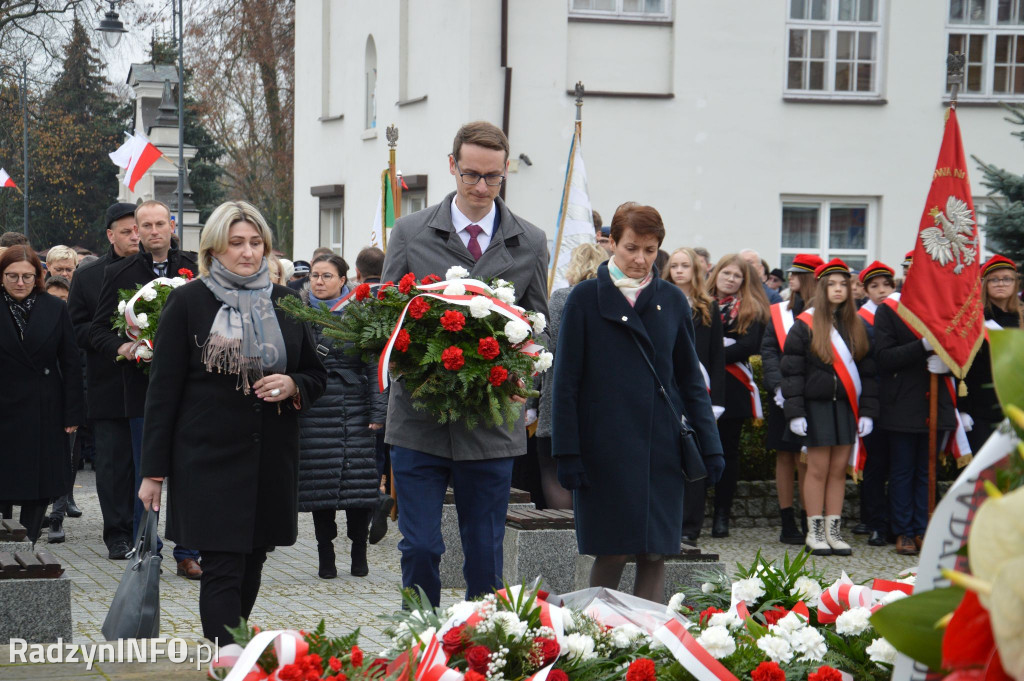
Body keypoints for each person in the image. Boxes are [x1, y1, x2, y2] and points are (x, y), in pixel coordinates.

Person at [137, 200, 327, 646]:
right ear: (213, 249)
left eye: (256, 243)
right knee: (222, 563)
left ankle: (233, 647)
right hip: (207, 458)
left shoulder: (287, 301)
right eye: (236, 243)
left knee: (254, 559)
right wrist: (152, 472)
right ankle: (228, 655)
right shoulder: (188, 302)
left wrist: (294, 383)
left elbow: (319, 374)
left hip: (271, 457)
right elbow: (162, 393)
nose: (247, 252)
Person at [380, 120, 550, 607]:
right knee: (420, 547)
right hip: (419, 418)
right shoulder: (411, 232)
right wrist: (408, 361)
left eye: (492, 177)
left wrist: (525, 375)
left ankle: (482, 652)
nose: (480, 187)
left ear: (505, 174)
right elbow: (386, 318)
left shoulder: (530, 241)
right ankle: (420, 642)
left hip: (492, 423)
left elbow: (538, 323)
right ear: (452, 166)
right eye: (471, 174)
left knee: (484, 553)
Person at [552, 203, 724, 602]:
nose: (640, 259)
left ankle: (647, 647)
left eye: (650, 249)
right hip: (604, 450)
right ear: (611, 242)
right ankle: (587, 640)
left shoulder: (673, 301)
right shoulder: (584, 299)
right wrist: (568, 453)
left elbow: (690, 383)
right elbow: (566, 384)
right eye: (631, 248)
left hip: (660, 445)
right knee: (612, 550)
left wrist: (711, 447)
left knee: (656, 551)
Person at [90, 200, 202, 577]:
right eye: (145, 226)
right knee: (147, 469)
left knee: (189, 469)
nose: (153, 231)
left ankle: (188, 551)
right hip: (142, 389)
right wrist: (123, 346)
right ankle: (147, 546)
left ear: (171, 225)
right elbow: (96, 330)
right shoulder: (119, 272)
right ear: (136, 230)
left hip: (191, 387)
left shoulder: (195, 267)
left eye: (160, 223)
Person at [298, 253, 387, 579]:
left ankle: (359, 553)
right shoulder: (299, 313)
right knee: (319, 486)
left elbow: (374, 364)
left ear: (343, 279)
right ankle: (325, 555)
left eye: (326, 276)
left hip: (355, 406)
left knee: (359, 487)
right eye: (314, 276)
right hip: (315, 407)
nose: (319, 282)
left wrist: (379, 411)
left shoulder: (360, 312)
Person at [781, 259, 877, 556]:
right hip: (816, 407)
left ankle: (834, 533)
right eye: (832, 284)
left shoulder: (857, 326)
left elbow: (869, 373)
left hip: (846, 408)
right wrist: (795, 413)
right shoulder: (804, 325)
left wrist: (868, 412)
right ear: (822, 289)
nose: (838, 289)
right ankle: (815, 531)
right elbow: (792, 372)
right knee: (818, 469)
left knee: (838, 471)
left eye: (843, 285)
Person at [67, 203, 140, 559]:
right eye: (127, 232)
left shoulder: (165, 270)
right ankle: (118, 534)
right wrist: (115, 343)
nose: (135, 237)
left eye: (139, 229)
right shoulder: (89, 275)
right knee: (112, 466)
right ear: (111, 235)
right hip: (109, 383)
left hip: (152, 386)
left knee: (149, 463)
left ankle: (147, 531)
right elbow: (77, 329)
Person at [0, 246, 84, 544]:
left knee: (39, 485)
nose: (19, 282)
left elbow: (71, 362)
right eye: (12, 276)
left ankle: (30, 543)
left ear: (39, 276)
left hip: (44, 407)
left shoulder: (55, 307)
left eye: (27, 276)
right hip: (4, 408)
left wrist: (73, 412)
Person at [873, 270, 956, 556]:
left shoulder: (947, 308)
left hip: (938, 401)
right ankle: (904, 531)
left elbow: (963, 351)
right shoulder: (890, 311)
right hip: (902, 404)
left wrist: (948, 365)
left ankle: (924, 528)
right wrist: (921, 346)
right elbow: (884, 357)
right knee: (903, 471)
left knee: (928, 471)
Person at [535, 243, 606, 511]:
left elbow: (545, 351)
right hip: (599, 406)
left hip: (557, 402)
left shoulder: (561, 298)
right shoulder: (611, 299)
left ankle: (564, 541)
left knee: (554, 476)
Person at [706, 253, 770, 537]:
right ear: (716, 273)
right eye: (726, 273)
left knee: (728, 452)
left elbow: (748, 346)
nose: (731, 279)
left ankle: (722, 515)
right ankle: (692, 516)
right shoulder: (700, 304)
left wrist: (711, 353)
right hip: (703, 385)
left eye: (737, 276)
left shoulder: (752, 309)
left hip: (733, 389)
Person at [664, 247, 725, 545]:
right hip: (668, 389)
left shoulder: (707, 306)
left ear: (695, 271)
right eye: (674, 265)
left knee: (695, 456)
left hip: (700, 391)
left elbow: (716, 357)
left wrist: (717, 402)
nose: (679, 271)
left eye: (685, 265)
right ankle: (670, 520)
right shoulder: (659, 302)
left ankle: (691, 526)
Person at [761, 253, 821, 545]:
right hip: (783, 397)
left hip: (814, 396)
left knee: (808, 457)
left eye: (797, 274)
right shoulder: (778, 312)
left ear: (810, 278)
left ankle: (809, 518)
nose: (791, 278)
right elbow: (769, 353)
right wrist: (778, 388)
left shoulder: (824, 312)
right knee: (785, 456)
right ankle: (787, 520)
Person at [849, 261, 895, 547]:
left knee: (898, 465)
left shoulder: (903, 315)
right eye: (874, 286)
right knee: (875, 464)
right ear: (864, 290)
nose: (881, 291)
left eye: (886, 285)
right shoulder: (860, 320)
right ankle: (876, 521)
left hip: (899, 400)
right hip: (871, 400)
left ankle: (894, 521)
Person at [352, 245, 395, 538]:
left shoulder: (355, 302)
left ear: (356, 273)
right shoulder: (397, 300)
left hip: (367, 391)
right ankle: (387, 502)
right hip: (398, 394)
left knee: (370, 455)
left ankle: (374, 502)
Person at [961, 255, 1023, 450]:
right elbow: (964, 365)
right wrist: (962, 408)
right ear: (984, 284)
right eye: (994, 279)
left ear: (1015, 283)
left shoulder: (1021, 318)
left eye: (1007, 279)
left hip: (1016, 406)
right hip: (981, 408)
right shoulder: (975, 319)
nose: (1000, 284)